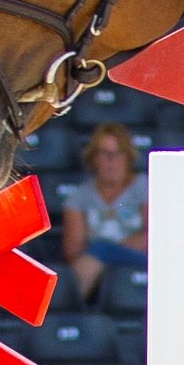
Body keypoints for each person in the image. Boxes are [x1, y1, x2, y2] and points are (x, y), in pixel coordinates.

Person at [61, 122, 148, 302]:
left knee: (101, 249)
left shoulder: (145, 187)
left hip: (142, 264)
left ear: (128, 157)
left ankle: (73, 303)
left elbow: (152, 237)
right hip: (94, 268)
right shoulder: (79, 196)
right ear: (93, 158)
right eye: (104, 154)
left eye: (118, 153)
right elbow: (73, 250)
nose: (111, 161)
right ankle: (75, 309)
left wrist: (107, 251)